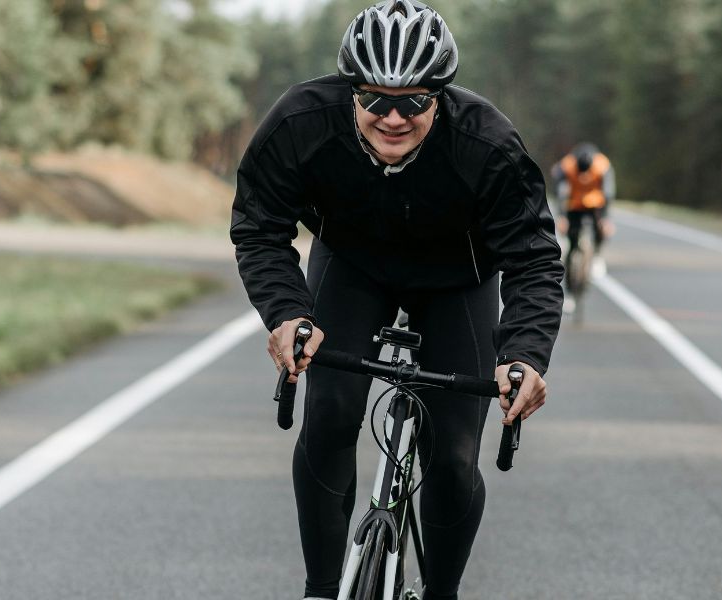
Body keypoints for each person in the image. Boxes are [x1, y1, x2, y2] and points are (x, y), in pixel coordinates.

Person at [229, 2, 564, 598]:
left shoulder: (487, 143)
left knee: (455, 457)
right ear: (348, 91)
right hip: (351, 265)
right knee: (330, 415)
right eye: (373, 99)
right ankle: (321, 589)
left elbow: (533, 258)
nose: (392, 116)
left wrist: (525, 354)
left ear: (441, 94)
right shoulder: (301, 122)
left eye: (413, 101)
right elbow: (259, 226)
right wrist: (286, 313)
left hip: (458, 280)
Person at [551, 142, 615, 312]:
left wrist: (606, 219)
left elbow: (608, 193)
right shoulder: (566, 166)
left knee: (602, 230)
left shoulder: (603, 165)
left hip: (596, 204)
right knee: (572, 246)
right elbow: (560, 193)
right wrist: (562, 217)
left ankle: (597, 256)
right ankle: (570, 292)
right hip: (574, 205)